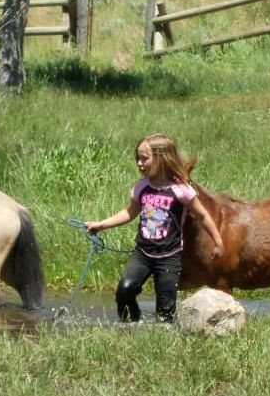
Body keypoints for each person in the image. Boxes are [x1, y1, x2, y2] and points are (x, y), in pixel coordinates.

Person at [85, 133, 225, 323]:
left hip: (169, 257)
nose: (139, 163)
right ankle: (130, 325)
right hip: (142, 254)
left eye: (144, 158)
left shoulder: (181, 189)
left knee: (165, 309)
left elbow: (202, 215)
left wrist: (218, 241)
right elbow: (129, 212)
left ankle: (164, 335)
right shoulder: (142, 186)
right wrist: (100, 225)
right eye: (138, 158)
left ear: (161, 158)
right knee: (125, 289)